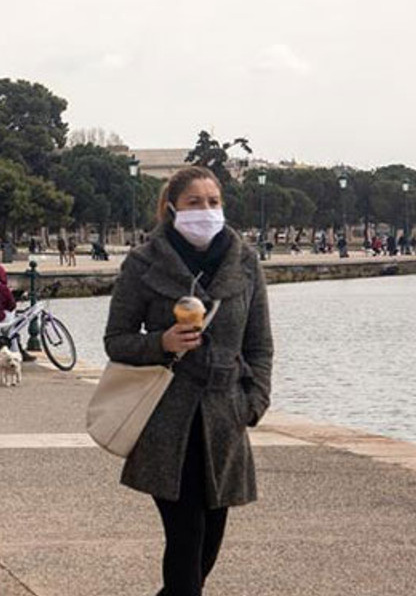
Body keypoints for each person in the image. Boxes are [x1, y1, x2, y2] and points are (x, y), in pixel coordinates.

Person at [103, 165, 273, 596]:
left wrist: (253, 403)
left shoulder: (245, 262)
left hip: (223, 420)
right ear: (172, 208)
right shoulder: (143, 263)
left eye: (213, 202)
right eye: (195, 202)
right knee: (185, 540)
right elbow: (116, 341)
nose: (206, 210)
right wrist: (161, 341)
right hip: (167, 421)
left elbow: (260, 344)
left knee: (207, 550)